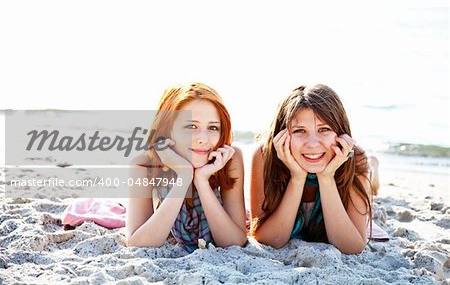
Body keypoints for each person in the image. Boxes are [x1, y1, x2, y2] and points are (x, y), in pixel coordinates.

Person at [250, 84, 376, 254]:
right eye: (300, 130)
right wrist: (297, 178)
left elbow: (351, 247)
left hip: (357, 169)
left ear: (340, 132)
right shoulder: (265, 156)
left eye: (324, 129)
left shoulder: (355, 160)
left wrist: (326, 178)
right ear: (282, 134)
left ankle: (374, 173)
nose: (312, 144)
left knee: (372, 185)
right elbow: (269, 240)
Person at [126, 83, 247, 252]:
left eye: (213, 127)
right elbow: (137, 244)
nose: (203, 138)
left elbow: (234, 243)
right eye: (191, 126)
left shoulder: (229, 160)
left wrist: (202, 181)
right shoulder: (144, 164)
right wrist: (184, 176)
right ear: (167, 129)